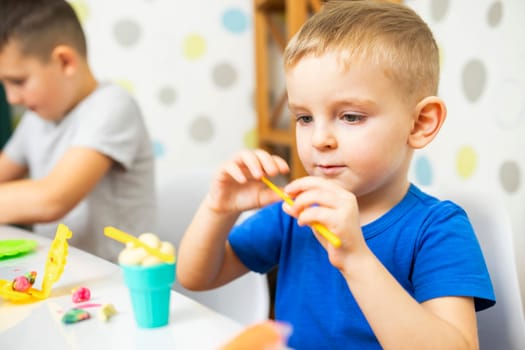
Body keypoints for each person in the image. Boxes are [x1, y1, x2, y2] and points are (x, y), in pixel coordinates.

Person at [177, 1, 495, 348]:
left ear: (420, 123)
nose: (319, 139)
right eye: (304, 118)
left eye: (350, 116)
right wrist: (218, 209)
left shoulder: (438, 228)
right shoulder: (296, 212)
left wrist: (355, 257)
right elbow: (196, 276)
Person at [0, 0, 156, 262]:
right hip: (62, 279)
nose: (11, 98)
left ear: (65, 61)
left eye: (18, 81)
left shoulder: (113, 106)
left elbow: (53, 199)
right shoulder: (36, 119)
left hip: (116, 283)